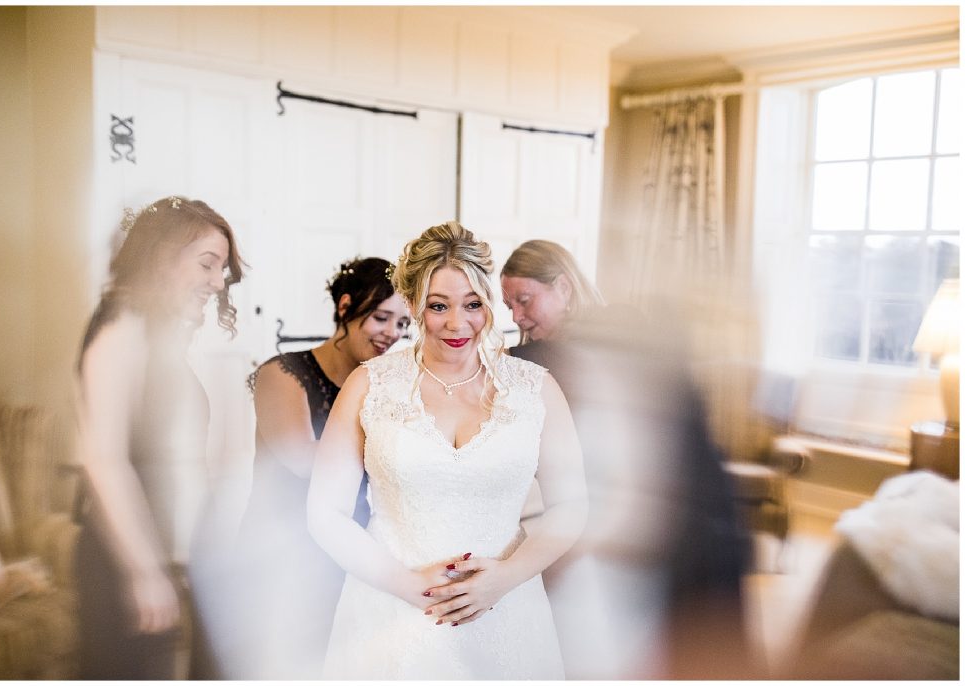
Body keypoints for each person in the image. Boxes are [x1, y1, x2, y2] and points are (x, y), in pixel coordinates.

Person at [306, 221, 588, 679]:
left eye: (472, 304)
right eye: (439, 306)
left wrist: (505, 578)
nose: (458, 324)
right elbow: (324, 512)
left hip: (507, 613)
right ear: (415, 304)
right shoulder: (369, 385)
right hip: (388, 610)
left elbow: (572, 505)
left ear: (488, 304)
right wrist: (410, 586)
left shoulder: (535, 389)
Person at [500, 240, 754, 679]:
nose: (519, 317)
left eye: (525, 301)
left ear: (563, 286)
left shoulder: (620, 330)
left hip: (682, 526)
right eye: (509, 307)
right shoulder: (535, 358)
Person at [73, 195, 244, 679]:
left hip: (178, 553)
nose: (217, 281)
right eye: (207, 264)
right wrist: (142, 570)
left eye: (222, 269)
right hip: (120, 557)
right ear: (162, 257)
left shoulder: (162, 334)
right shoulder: (120, 326)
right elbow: (103, 459)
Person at [224, 257, 410, 678]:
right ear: (345, 307)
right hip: (280, 554)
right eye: (382, 318)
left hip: (352, 548)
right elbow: (301, 459)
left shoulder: (386, 386)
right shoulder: (283, 373)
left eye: (402, 324)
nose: (392, 335)